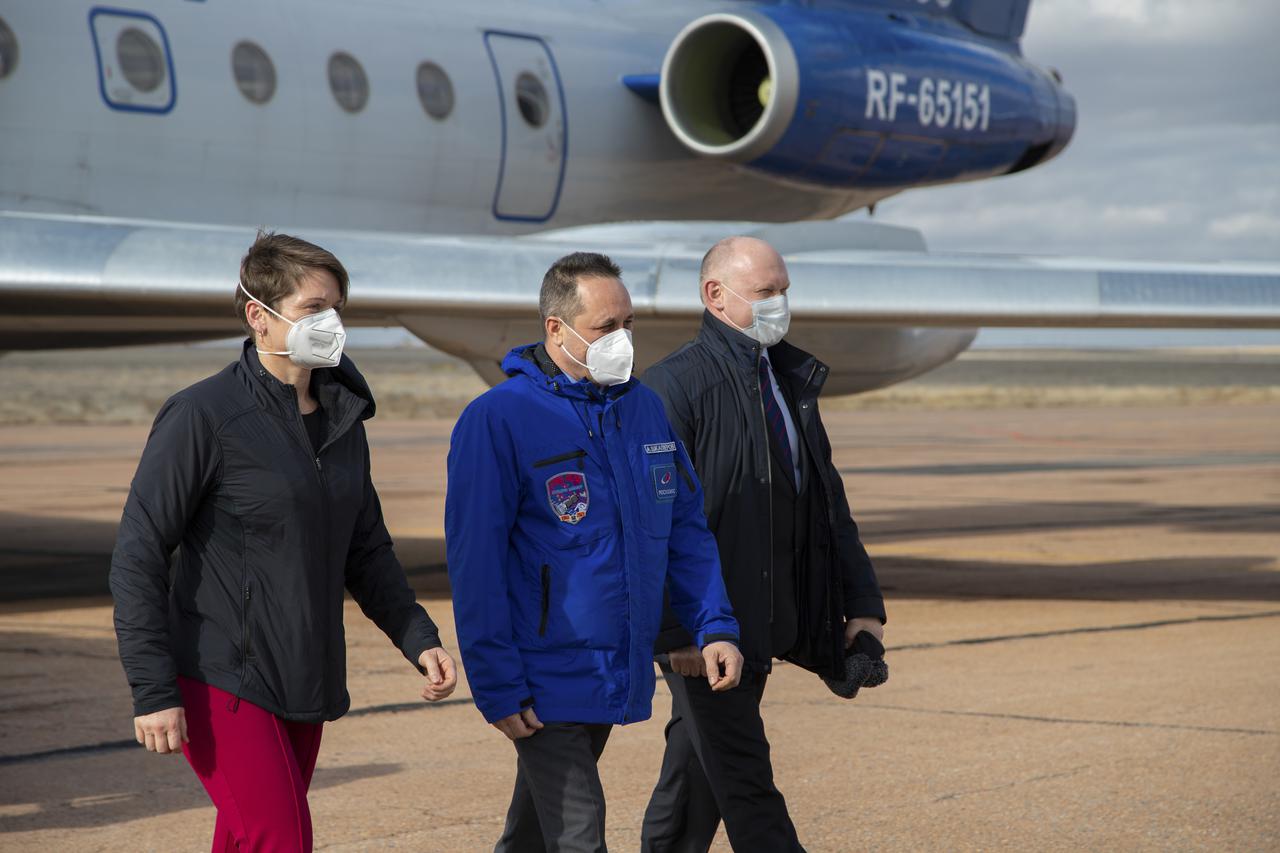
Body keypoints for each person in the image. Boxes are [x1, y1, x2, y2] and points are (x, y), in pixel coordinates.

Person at [109, 231, 458, 853]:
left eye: (337, 309)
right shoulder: (203, 415)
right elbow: (138, 553)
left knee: (248, 839)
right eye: (312, 309)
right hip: (222, 675)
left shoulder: (342, 418)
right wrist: (153, 690)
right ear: (258, 316)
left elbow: (366, 548)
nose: (330, 323)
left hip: (305, 672)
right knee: (282, 839)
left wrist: (417, 636)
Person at [445, 251, 743, 853]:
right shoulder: (498, 420)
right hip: (541, 676)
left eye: (628, 324)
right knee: (580, 833)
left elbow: (684, 530)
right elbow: (474, 567)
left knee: (536, 832)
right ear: (556, 329)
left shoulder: (643, 409)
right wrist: (497, 684)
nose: (622, 339)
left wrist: (714, 625)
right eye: (606, 327)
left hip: (612, 667)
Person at [640, 236, 888, 852]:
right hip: (707, 633)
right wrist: (678, 635)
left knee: (693, 785)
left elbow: (828, 504)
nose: (779, 304)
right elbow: (651, 525)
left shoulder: (786, 381)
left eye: (783, 290)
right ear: (714, 295)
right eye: (764, 292)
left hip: (762, 624)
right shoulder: (673, 389)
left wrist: (863, 607)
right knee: (750, 787)